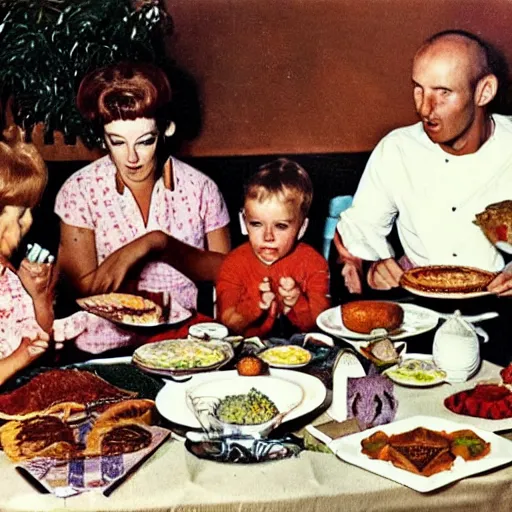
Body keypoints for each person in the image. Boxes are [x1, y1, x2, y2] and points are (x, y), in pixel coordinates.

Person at [54, 61, 230, 354]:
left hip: (181, 345)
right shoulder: (79, 190)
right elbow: (82, 290)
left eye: (145, 141)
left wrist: (156, 243)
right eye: (117, 142)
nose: (132, 157)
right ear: (103, 136)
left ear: (166, 129)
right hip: (103, 350)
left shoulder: (201, 189)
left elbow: (228, 271)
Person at [335, 29, 512, 295]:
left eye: (443, 92)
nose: (424, 108)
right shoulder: (397, 150)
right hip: (419, 305)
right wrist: (368, 267)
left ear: (484, 91)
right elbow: (355, 237)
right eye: (419, 89)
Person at [216, 158, 330, 337]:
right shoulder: (233, 263)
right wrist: (255, 304)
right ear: (243, 222)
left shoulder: (314, 263)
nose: (268, 237)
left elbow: (322, 326)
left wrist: (297, 302)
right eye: (256, 224)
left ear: (301, 228)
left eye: (281, 226)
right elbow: (226, 326)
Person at [0, 126, 53, 385]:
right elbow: (26, 353)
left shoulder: (7, 276)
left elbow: (41, 335)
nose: (29, 222)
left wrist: (39, 296)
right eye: (21, 215)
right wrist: (21, 357)